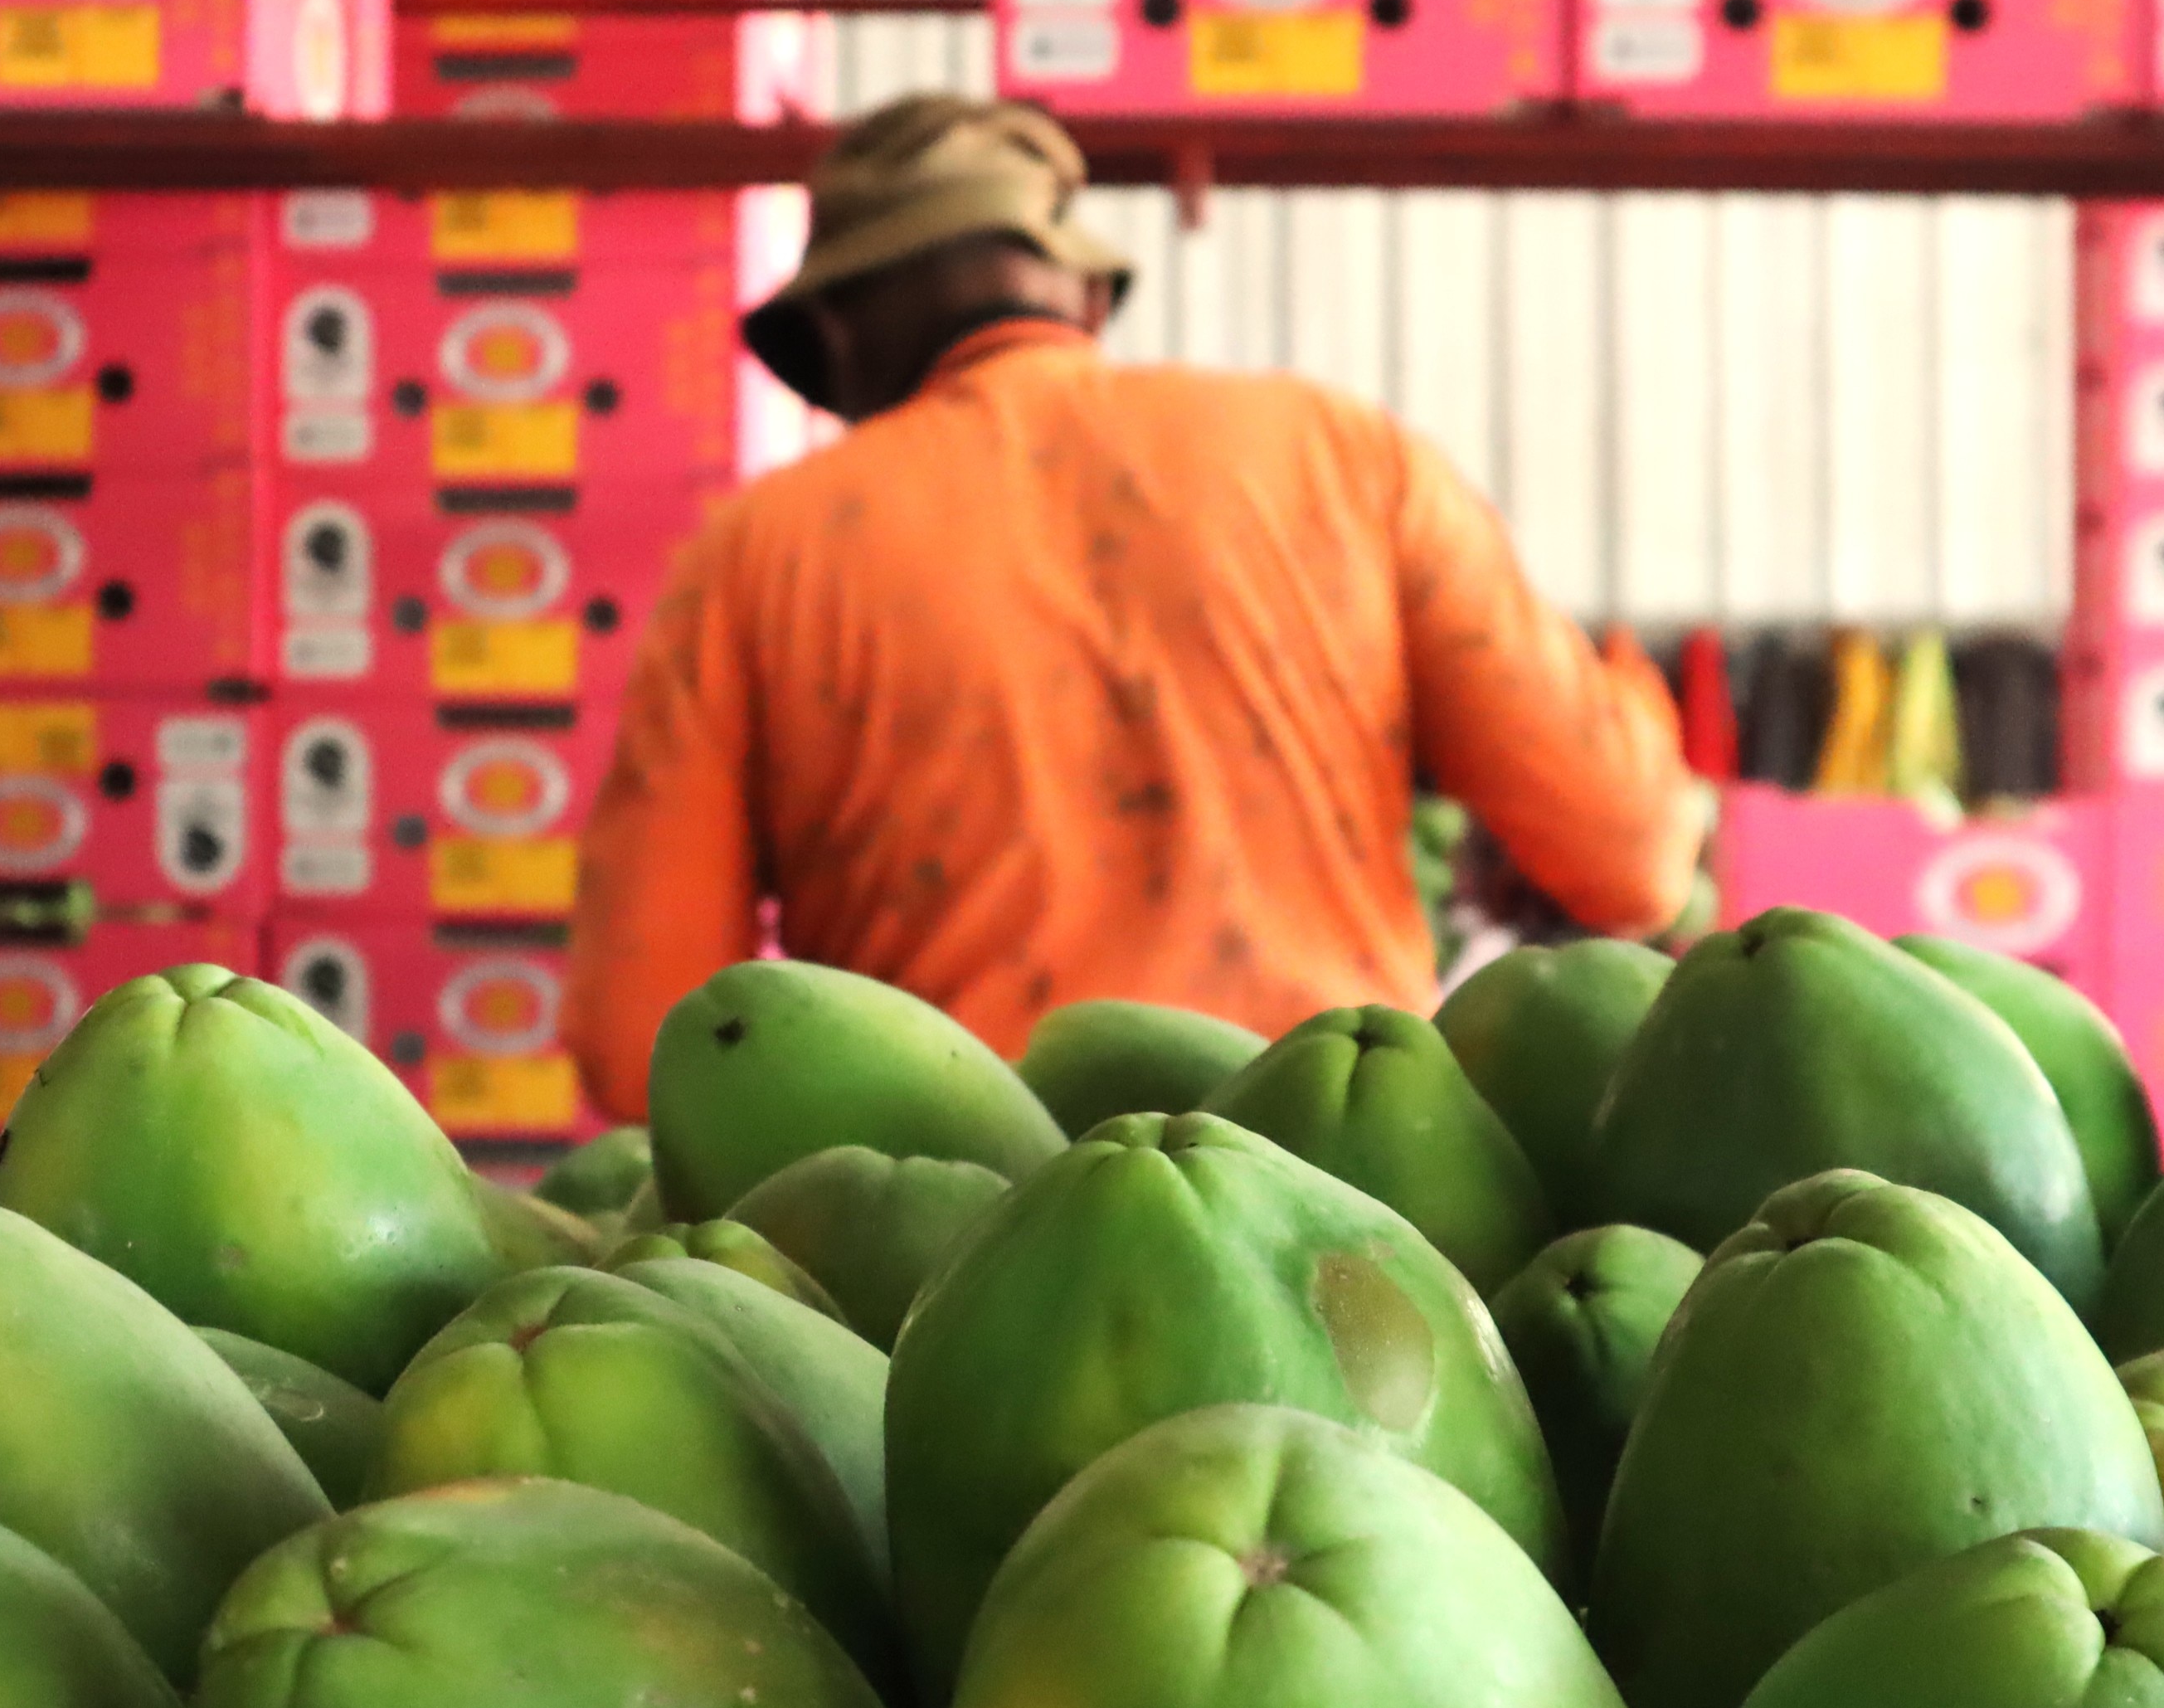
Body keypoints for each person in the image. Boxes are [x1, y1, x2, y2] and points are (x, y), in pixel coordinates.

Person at [566, 94, 1709, 1118]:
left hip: (956, 1243)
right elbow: (1632, 849)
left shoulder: (759, 555)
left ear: (836, 337)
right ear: (1082, 290)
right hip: (1338, 1180)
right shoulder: (1336, 458)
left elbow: (647, 1045)